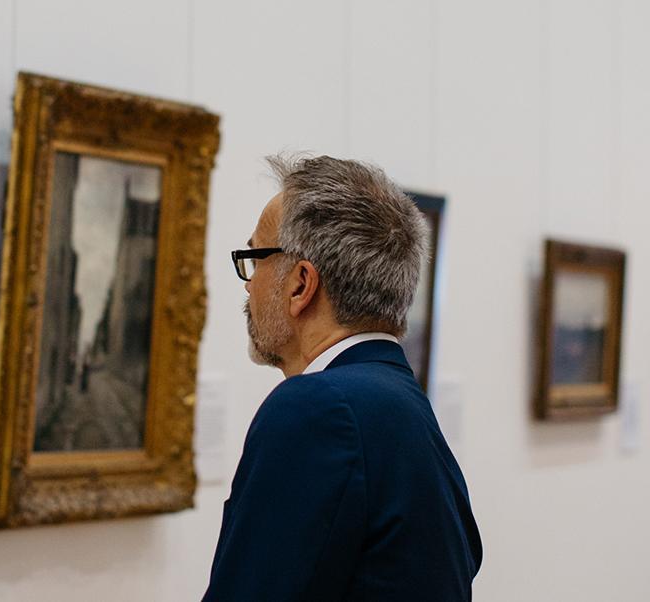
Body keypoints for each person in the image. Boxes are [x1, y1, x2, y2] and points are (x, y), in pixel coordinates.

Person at [202, 155, 482, 601]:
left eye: (255, 259)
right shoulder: (403, 402)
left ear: (300, 285)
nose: (248, 285)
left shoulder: (317, 407)